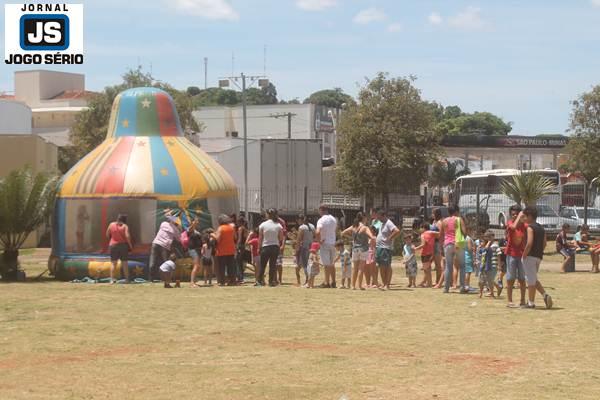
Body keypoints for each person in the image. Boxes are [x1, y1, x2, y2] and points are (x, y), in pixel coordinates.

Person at [522, 206, 553, 309]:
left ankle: (531, 303)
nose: (524, 219)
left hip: (530, 256)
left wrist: (524, 254)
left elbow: (529, 243)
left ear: (530, 216)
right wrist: (539, 252)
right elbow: (544, 243)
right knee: (533, 278)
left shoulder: (530, 228)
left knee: (530, 280)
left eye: (525, 216)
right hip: (538, 256)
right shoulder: (541, 228)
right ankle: (545, 295)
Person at [341, 211, 375, 290]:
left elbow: (343, 233)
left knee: (355, 268)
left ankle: (353, 286)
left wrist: (351, 238)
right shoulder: (365, 228)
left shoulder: (353, 226)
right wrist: (371, 242)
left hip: (355, 248)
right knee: (361, 268)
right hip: (363, 249)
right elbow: (372, 237)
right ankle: (359, 285)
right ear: (363, 218)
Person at [440, 205, 467, 293]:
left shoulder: (444, 221)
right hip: (458, 243)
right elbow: (464, 232)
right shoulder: (459, 219)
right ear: (456, 211)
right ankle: (462, 287)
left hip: (447, 244)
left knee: (448, 266)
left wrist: (441, 246)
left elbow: (441, 234)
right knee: (462, 265)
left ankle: (446, 288)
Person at [505, 205, 527, 307]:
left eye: (516, 214)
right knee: (510, 279)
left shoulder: (525, 226)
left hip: (521, 255)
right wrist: (519, 217)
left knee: (522, 279)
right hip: (511, 254)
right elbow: (513, 227)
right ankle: (510, 300)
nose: (514, 216)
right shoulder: (510, 223)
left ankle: (522, 300)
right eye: (512, 214)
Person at [149, 214, 181, 281]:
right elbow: (178, 239)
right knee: (166, 263)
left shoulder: (163, 223)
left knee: (153, 262)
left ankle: (151, 279)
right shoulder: (176, 229)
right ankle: (166, 279)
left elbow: (167, 217)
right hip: (164, 246)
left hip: (156, 243)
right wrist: (179, 228)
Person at [375, 209, 401, 290]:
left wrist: (389, 238)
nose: (379, 219)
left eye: (380, 218)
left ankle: (387, 284)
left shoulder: (389, 223)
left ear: (384, 216)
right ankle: (384, 283)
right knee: (381, 266)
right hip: (379, 247)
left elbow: (397, 231)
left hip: (386, 248)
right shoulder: (382, 223)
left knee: (386, 266)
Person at [258, 209, 284, 287]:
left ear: (267, 215)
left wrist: (259, 247)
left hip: (265, 246)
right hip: (275, 246)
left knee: (263, 265)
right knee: (272, 265)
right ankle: (271, 281)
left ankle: (260, 281)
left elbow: (260, 238)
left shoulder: (262, 225)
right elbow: (281, 238)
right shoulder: (278, 225)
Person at [105, 214, 133, 284]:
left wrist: (111, 239)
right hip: (123, 246)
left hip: (113, 245)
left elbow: (107, 234)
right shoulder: (125, 226)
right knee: (124, 263)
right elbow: (127, 236)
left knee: (113, 263)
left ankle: (111, 279)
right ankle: (127, 279)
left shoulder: (111, 224)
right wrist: (130, 245)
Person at [316, 205, 338, 288]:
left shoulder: (321, 220)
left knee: (326, 264)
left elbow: (317, 232)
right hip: (332, 242)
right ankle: (333, 282)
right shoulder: (333, 219)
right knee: (332, 264)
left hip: (325, 243)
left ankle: (326, 282)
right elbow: (335, 229)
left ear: (321, 210)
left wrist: (319, 241)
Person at [214, 214, 237, 286]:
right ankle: (232, 281)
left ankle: (222, 281)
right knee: (231, 267)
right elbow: (235, 237)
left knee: (221, 267)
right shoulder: (231, 228)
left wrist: (213, 235)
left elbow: (217, 239)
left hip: (221, 251)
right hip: (231, 250)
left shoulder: (220, 228)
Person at [416, 221, 439, 288]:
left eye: (420, 228)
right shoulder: (431, 233)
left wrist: (415, 248)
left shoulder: (423, 235)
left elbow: (423, 244)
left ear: (423, 228)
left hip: (425, 253)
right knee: (428, 268)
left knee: (427, 270)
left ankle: (429, 283)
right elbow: (439, 233)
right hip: (431, 253)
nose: (420, 229)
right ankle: (428, 283)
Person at [478, 231, 500, 299]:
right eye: (486, 237)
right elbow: (481, 252)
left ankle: (492, 292)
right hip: (483, 265)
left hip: (492, 265)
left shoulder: (494, 245)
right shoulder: (484, 246)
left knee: (489, 280)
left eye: (488, 237)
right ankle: (481, 292)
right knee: (481, 280)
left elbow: (499, 255)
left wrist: (499, 265)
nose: (487, 239)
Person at [295, 215, 315, 286]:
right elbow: (314, 236)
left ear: (301, 220)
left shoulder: (302, 227)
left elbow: (299, 239)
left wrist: (296, 249)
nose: (298, 222)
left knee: (304, 265)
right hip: (311, 247)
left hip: (304, 247)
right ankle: (307, 280)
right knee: (307, 264)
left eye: (298, 220)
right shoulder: (312, 226)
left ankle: (306, 281)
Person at [430, 209, 445, 289]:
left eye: (433, 213)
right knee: (435, 263)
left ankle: (438, 280)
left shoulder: (439, 222)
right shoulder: (434, 222)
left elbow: (440, 234)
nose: (432, 215)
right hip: (433, 243)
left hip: (438, 244)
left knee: (438, 264)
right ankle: (437, 280)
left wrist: (431, 233)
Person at [188, 219, 204, 287]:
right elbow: (190, 229)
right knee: (196, 265)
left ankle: (194, 281)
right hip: (193, 250)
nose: (197, 223)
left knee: (198, 266)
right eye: (195, 222)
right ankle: (192, 283)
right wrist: (193, 223)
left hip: (198, 250)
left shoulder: (197, 231)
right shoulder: (191, 230)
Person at [235, 216, 250, 284]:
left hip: (240, 246)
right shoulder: (246, 229)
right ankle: (241, 277)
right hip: (244, 246)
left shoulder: (240, 228)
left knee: (238, 262)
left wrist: (237, 246)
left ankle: (240, 278)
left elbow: (240, 239)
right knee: (241, 262)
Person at [277, 217, 288, 284]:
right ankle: (274, 278)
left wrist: (283, 245)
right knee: (273, 263)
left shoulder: (281, 221)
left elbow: (284, 235)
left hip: (279, 244)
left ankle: (280, 279)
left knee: (279, 263)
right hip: (272, 244)